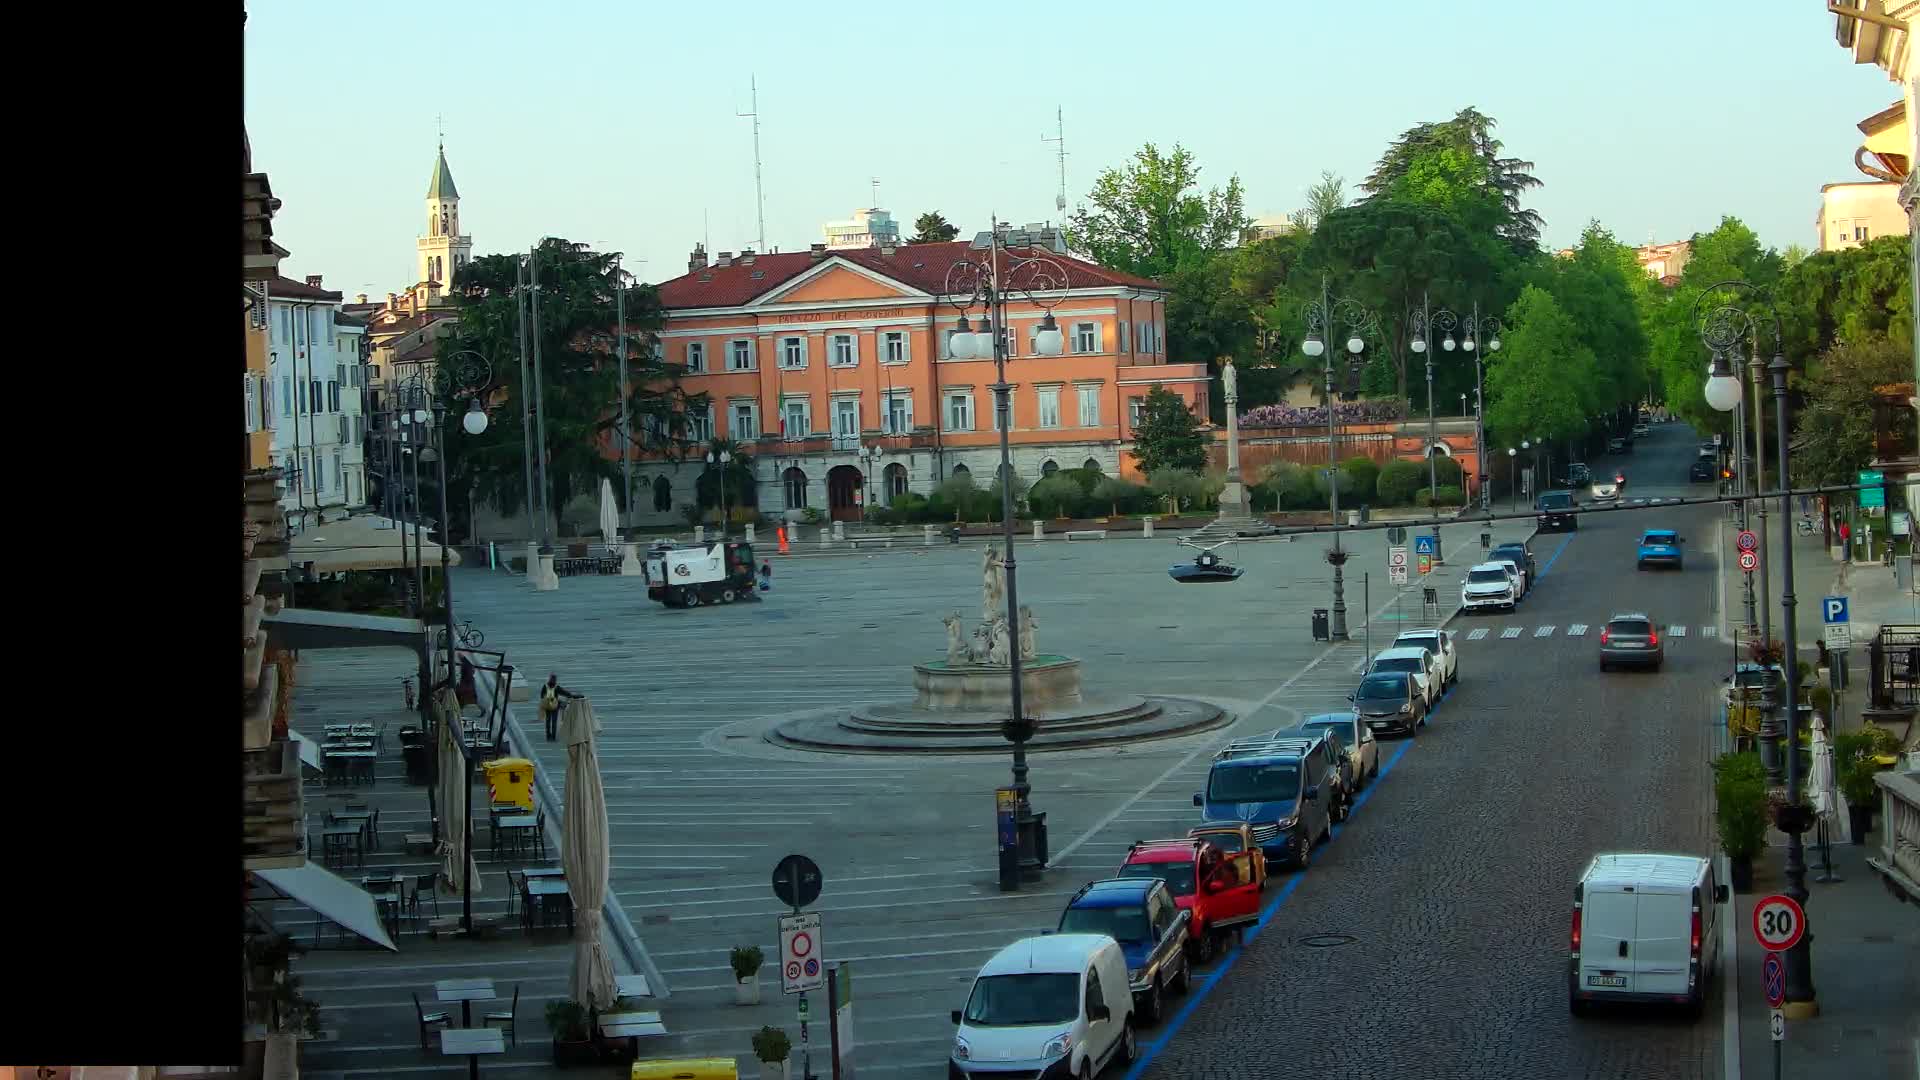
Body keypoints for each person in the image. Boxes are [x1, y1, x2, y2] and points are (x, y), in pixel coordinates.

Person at [540, 673, 577, 741]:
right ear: (555, 680)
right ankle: (553, 737)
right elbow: (565, 693)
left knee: (548, 720)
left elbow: (542, 695)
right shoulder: (556, 687)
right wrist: (571, 696)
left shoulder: (545, 686)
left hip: (547, 705)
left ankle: (548, 736)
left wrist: (546, 700)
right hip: (554, 706)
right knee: (554, 721)